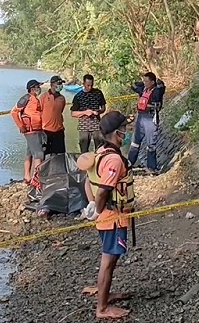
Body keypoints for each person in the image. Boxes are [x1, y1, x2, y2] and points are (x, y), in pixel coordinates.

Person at [76, 111, 134, 320]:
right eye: (124, 130)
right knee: (108, 261)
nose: (126, 133)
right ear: (117, 133)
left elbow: (87, 181)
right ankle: (102, 308)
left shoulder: (100, 151)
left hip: (106, 217)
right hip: (112, 218)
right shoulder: (114, 160)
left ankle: (106, 294)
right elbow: (103, 190)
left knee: (110, 257)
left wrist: (92, 206)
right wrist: (98, 209)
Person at [127, 72, 165, 174]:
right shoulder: (143, 89)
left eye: (147, 81)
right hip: (141, 117)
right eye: (144, 81)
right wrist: (142, 82)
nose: (145, 83)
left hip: (150, 118)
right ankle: (128, 164)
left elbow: (161, 88)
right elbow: (133, 86)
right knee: (135, 141)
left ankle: (151, 167)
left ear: (152, 82)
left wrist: (158, 82)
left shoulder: (156, 90)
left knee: (151, 143)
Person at [10, 79, 45, 184]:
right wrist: (20, 125)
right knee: (39, 154)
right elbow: (13, 112)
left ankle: (27, 177)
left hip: (37, 130)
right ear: (32, 88)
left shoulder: (35, 99)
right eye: (37, 87)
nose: (39, 89)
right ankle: (37, 179)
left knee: (29, 153)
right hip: (31, 131)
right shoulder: (26, 98)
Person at [71, 74, 107, 153]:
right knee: (84, 151)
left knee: (100, 150)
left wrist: (98, 112)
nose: (90, 87)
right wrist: (85, 112)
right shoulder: (78, 96)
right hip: (84, 127)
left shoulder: (98, 93)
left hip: (97, 125)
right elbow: (73, 113)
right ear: (83, 84)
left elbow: (103, 108)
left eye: (91, 85)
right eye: (87, 85)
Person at [40, 75, 67, 156]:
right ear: (52, 84)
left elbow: (60, 112)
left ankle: (55, 169)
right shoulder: (44, 97)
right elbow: (39, 111)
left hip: (58, 130)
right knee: (43, 153)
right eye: (58, 83)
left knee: (58, 155)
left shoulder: (62, 98)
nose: (60, 85)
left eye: (61, 83)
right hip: (46, 130)